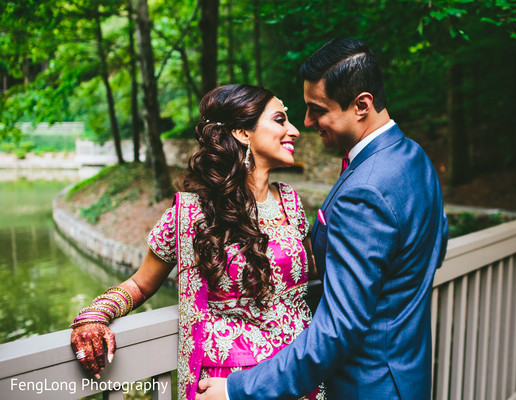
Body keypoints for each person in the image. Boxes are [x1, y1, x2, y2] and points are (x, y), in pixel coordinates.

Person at [198, 38, 448, 400]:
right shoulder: (414, 157)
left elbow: (339, 329)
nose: (307, 122)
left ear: (362, 104)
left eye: (318, 109)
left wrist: (239, 389)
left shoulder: (364, 190)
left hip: (368, 385)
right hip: (408, 375)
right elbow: (434, 246)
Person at [69, 84, 326, 400]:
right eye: (280, 120)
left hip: (297, 373)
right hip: (230, 383)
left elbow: (311, 277)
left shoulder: (290, 201)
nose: (295, 131)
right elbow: (141, 284)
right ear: (243, 133)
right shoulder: (193, 212)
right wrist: (95, 315)